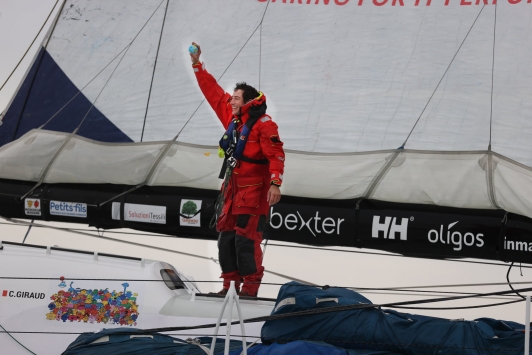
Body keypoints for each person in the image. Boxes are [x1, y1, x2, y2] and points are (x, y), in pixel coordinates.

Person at [190, 42, 285, 297]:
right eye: (231, 97)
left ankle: (249, 290)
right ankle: (228, 288)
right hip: (232, 191)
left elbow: (276, 154)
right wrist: (197, 64)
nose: (230, 101)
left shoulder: (265, 125)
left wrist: (276, 183)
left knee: (247, 241)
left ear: (247, 102)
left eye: (236, 98)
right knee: (226, 239)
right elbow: (213, 93)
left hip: (254, 193)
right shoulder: (233, 118)